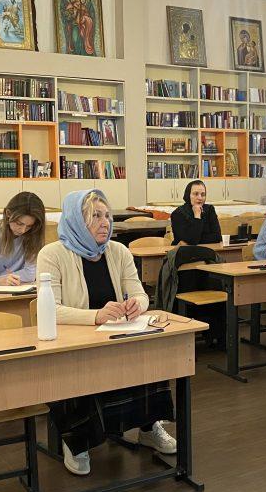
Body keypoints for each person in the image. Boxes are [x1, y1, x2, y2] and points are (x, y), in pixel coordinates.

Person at [36, 189, 176, 476]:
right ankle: (77, 442)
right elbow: (51, 310)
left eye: (107, 216)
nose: (105, 223)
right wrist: (96, 316)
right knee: (77, 370)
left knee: (149, 357)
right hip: (73, 340)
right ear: (77, 221)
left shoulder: (118, 251)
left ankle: (149, 427)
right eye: (95, 216)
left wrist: (136, 305)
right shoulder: (52, 254)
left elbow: (140, 294)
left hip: (114, 334)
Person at [170, 180, 222, 245]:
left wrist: (194, 239)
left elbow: (217, 237)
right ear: (188, 195)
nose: (200, 198)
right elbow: (191, 242)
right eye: (196, 194)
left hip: (208, 249)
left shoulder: (209, 209)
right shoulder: (177, 213)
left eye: (203, 194)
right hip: (184, 250)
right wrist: (197, 216)